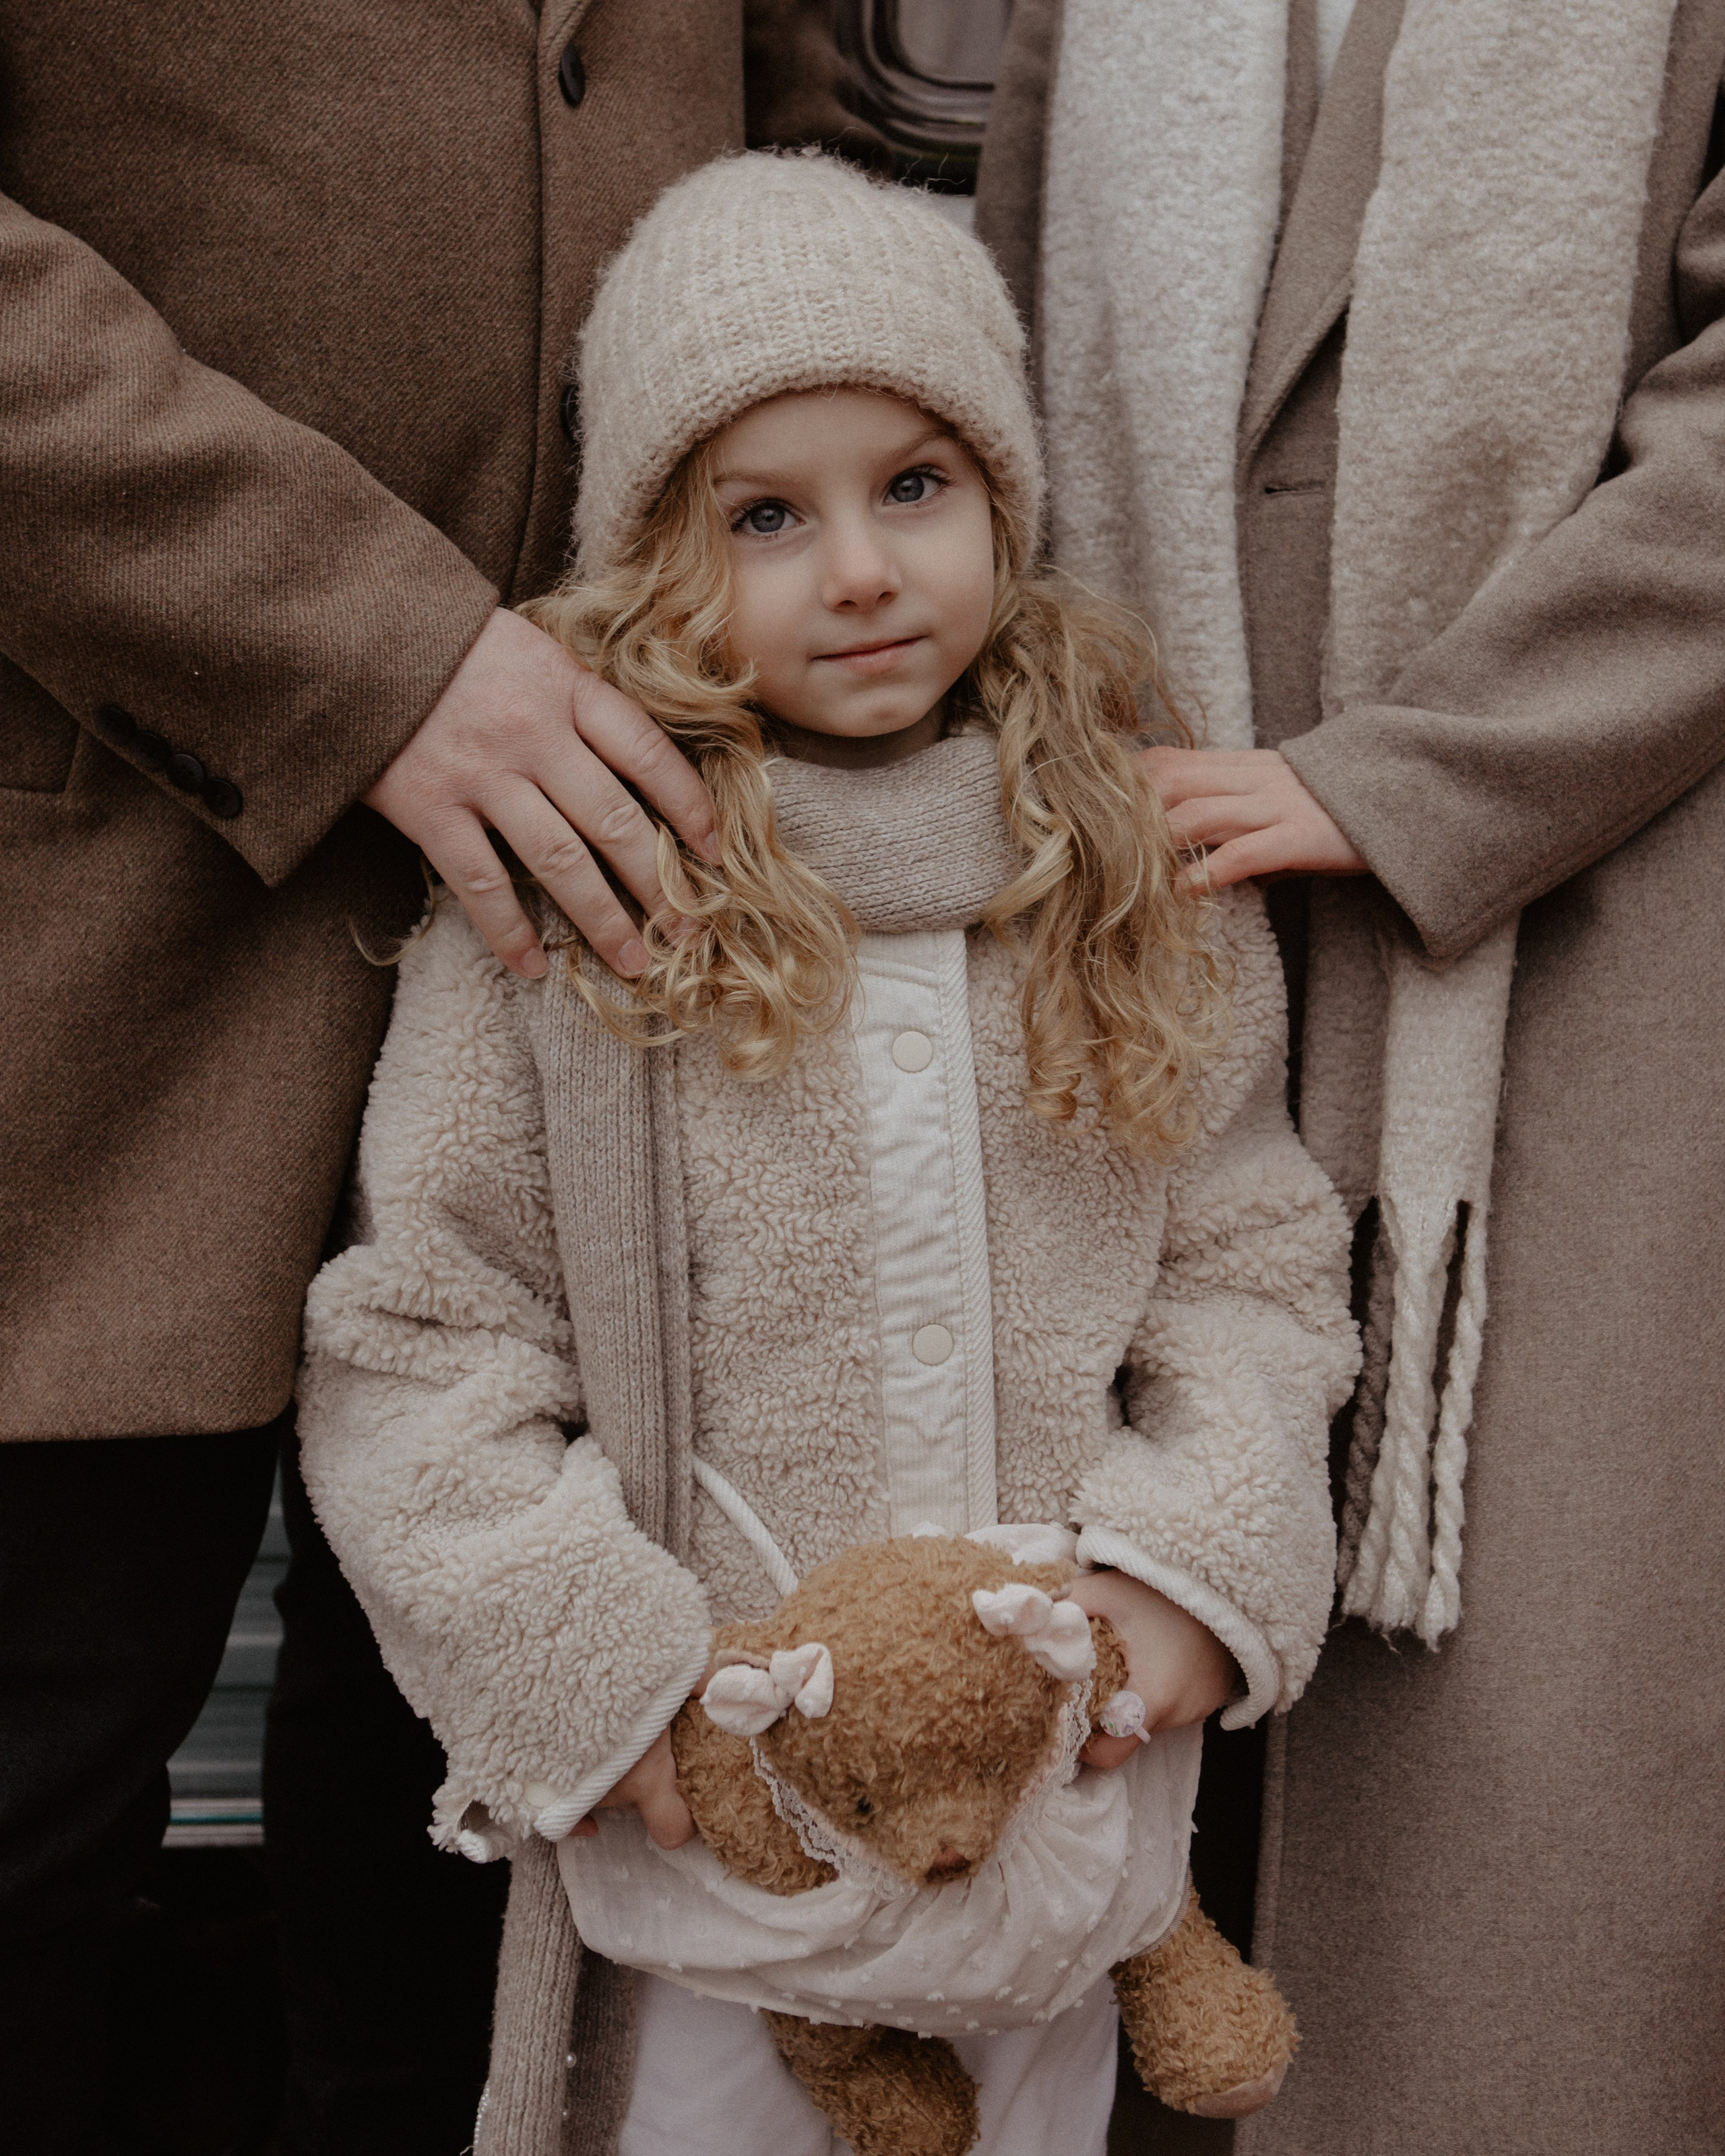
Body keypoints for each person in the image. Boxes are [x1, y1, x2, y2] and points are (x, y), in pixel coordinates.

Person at [294, 154, 1360, 2156]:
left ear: (1005, 504)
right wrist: (611, 1696)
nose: (860, 571)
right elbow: (424, 1333)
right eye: (765, 516)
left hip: (1065, 1770)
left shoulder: (1125, 873)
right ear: (650, 564)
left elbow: (1249, 1267)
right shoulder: (574, 908)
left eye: (915, 488)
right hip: (725, 1815)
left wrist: (1190, 1585)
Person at [0, 9, 877, 2151]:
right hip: (87, 908)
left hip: (611, 945)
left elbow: (788, 136)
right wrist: (370, 647)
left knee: (477, 1862)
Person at [975, 0, 1725, 2150]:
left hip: (1602, 905)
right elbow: (1004, 352)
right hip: (1139, 903)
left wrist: (1404, 781)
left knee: (1529, 1782)